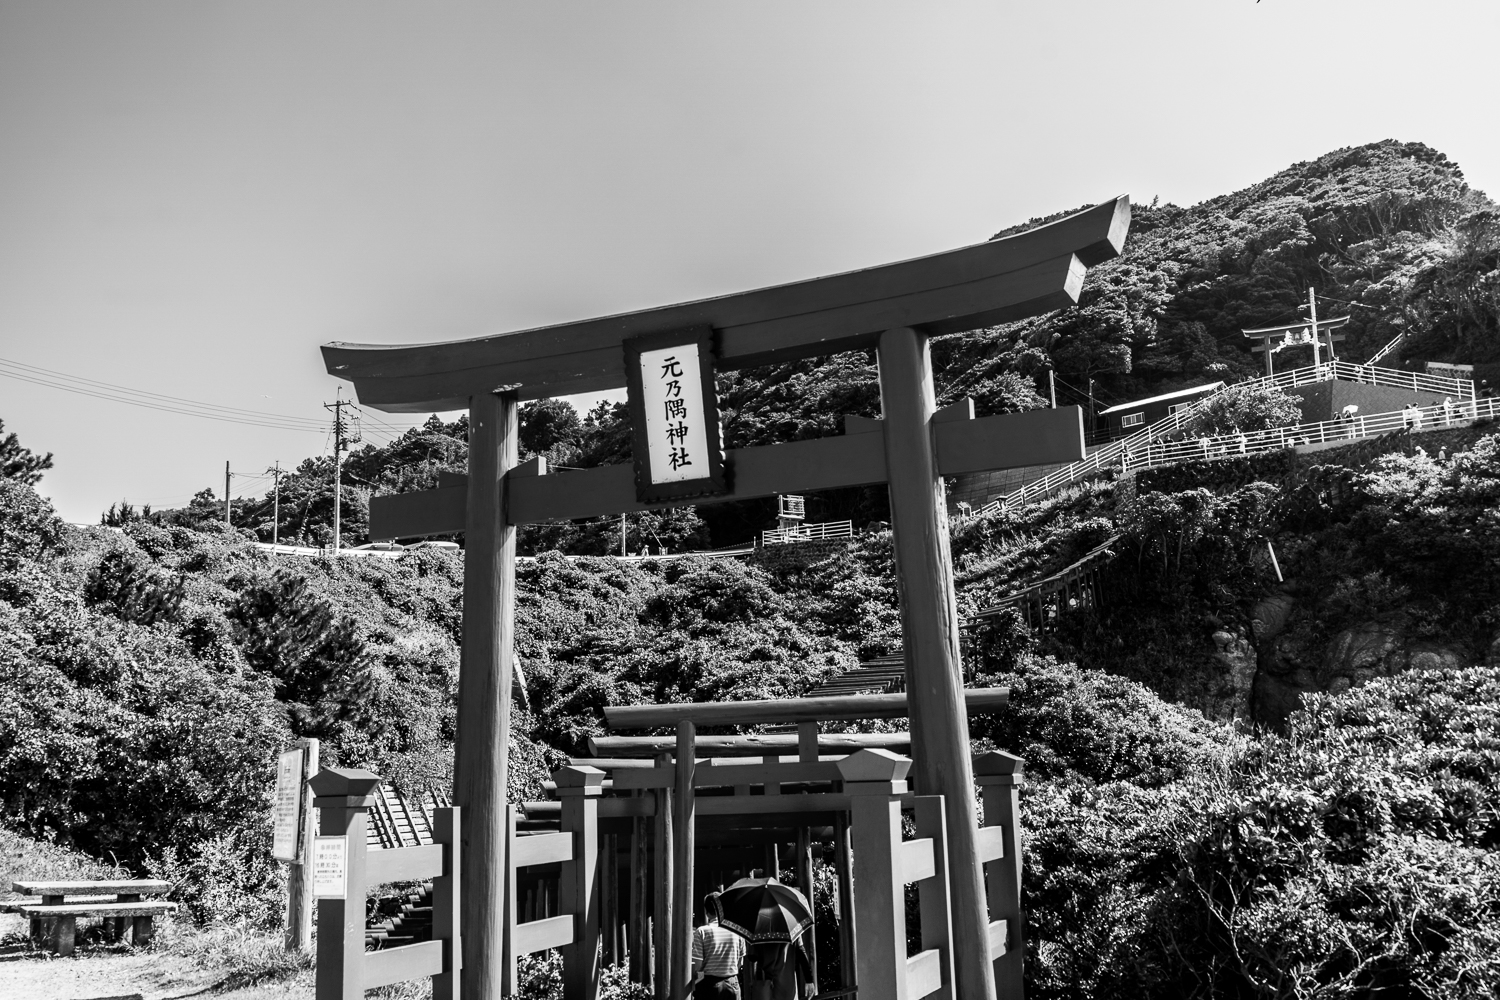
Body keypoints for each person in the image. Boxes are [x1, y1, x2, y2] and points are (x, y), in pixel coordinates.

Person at [693, 892, 747, 1000]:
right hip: (732, 983)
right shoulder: (737, 930)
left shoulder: (701, 932)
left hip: (710, 986)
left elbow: (698, 966)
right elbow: (740, 963)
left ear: (707, 912)